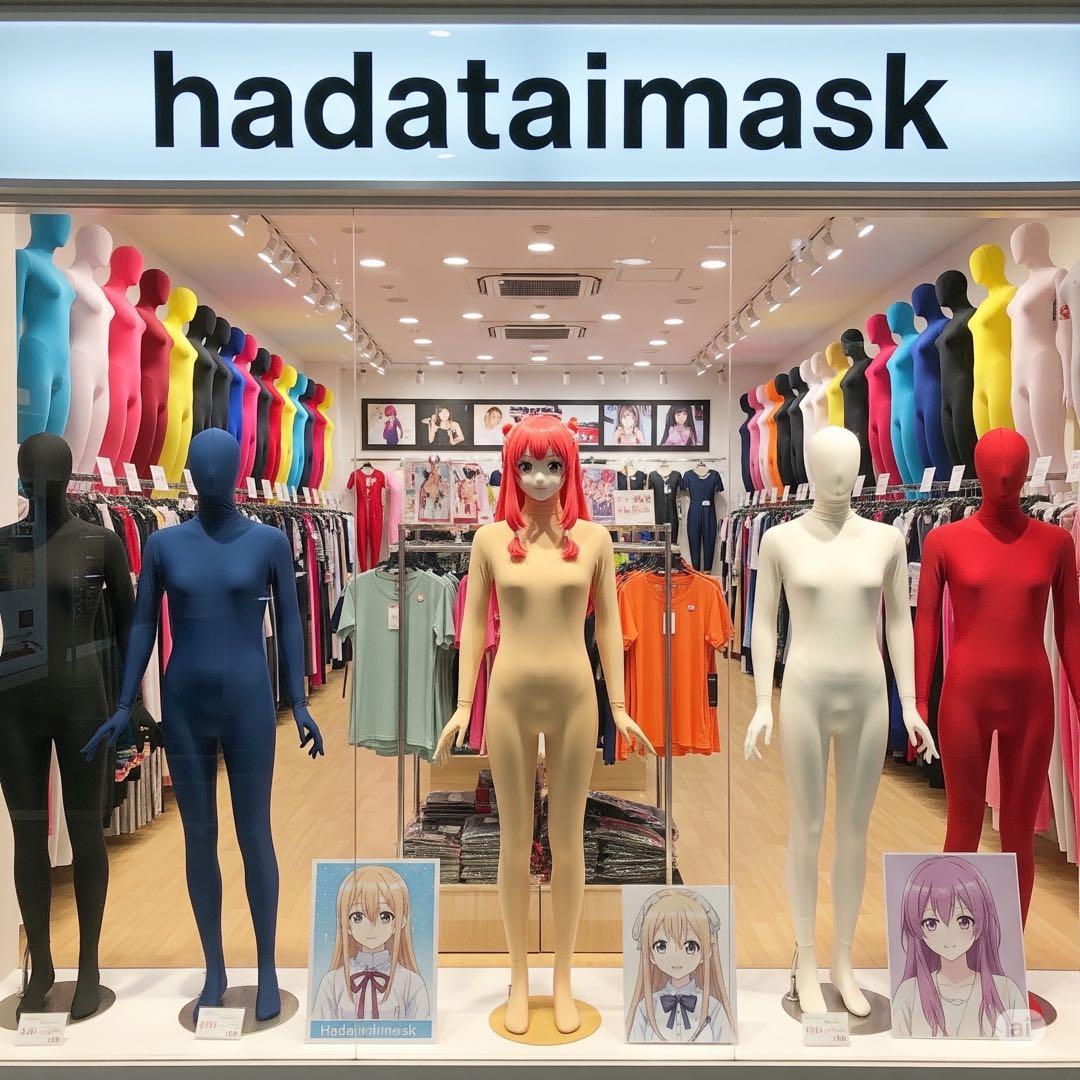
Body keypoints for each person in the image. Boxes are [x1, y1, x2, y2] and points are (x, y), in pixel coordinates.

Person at [434, 414, 653, 1035]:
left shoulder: (596, 539)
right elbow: (472, 624)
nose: (538, 478)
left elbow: (609, 623)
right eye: (526, 465)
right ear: (510, 469)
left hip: (576, 700)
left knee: (567, 837)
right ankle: (518, 972)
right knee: (513, 837)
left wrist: (618, 706)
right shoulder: (487, 540)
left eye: (553, 465)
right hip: (507, 699)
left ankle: (562, 974)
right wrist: (463, 703)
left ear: (569, 469)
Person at [892, 856, 1027, 1039]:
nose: (949, 936)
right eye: (931, 923)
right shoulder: (908, 993)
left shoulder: (1006, 990)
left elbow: (1021, 1047)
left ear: (980, 923)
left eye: (963, 921)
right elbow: (898, 1051)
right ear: (917, 929)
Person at [311, 865, 430, 1022]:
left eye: (385, 916)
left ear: (401, 921)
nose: (371, 927)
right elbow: (320, 1029)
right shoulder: (331, 982)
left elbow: (420, 1030)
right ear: (345, 924)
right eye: (358, 917)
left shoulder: (411, 983)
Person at [626, 889, 735, 1043]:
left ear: (705, 952)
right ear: (650, 954)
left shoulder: (713, 1007)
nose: (675, 957)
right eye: (661, 946)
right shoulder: (644, 1008)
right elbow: (635, 1048)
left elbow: (725, 1044)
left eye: (690, 946)